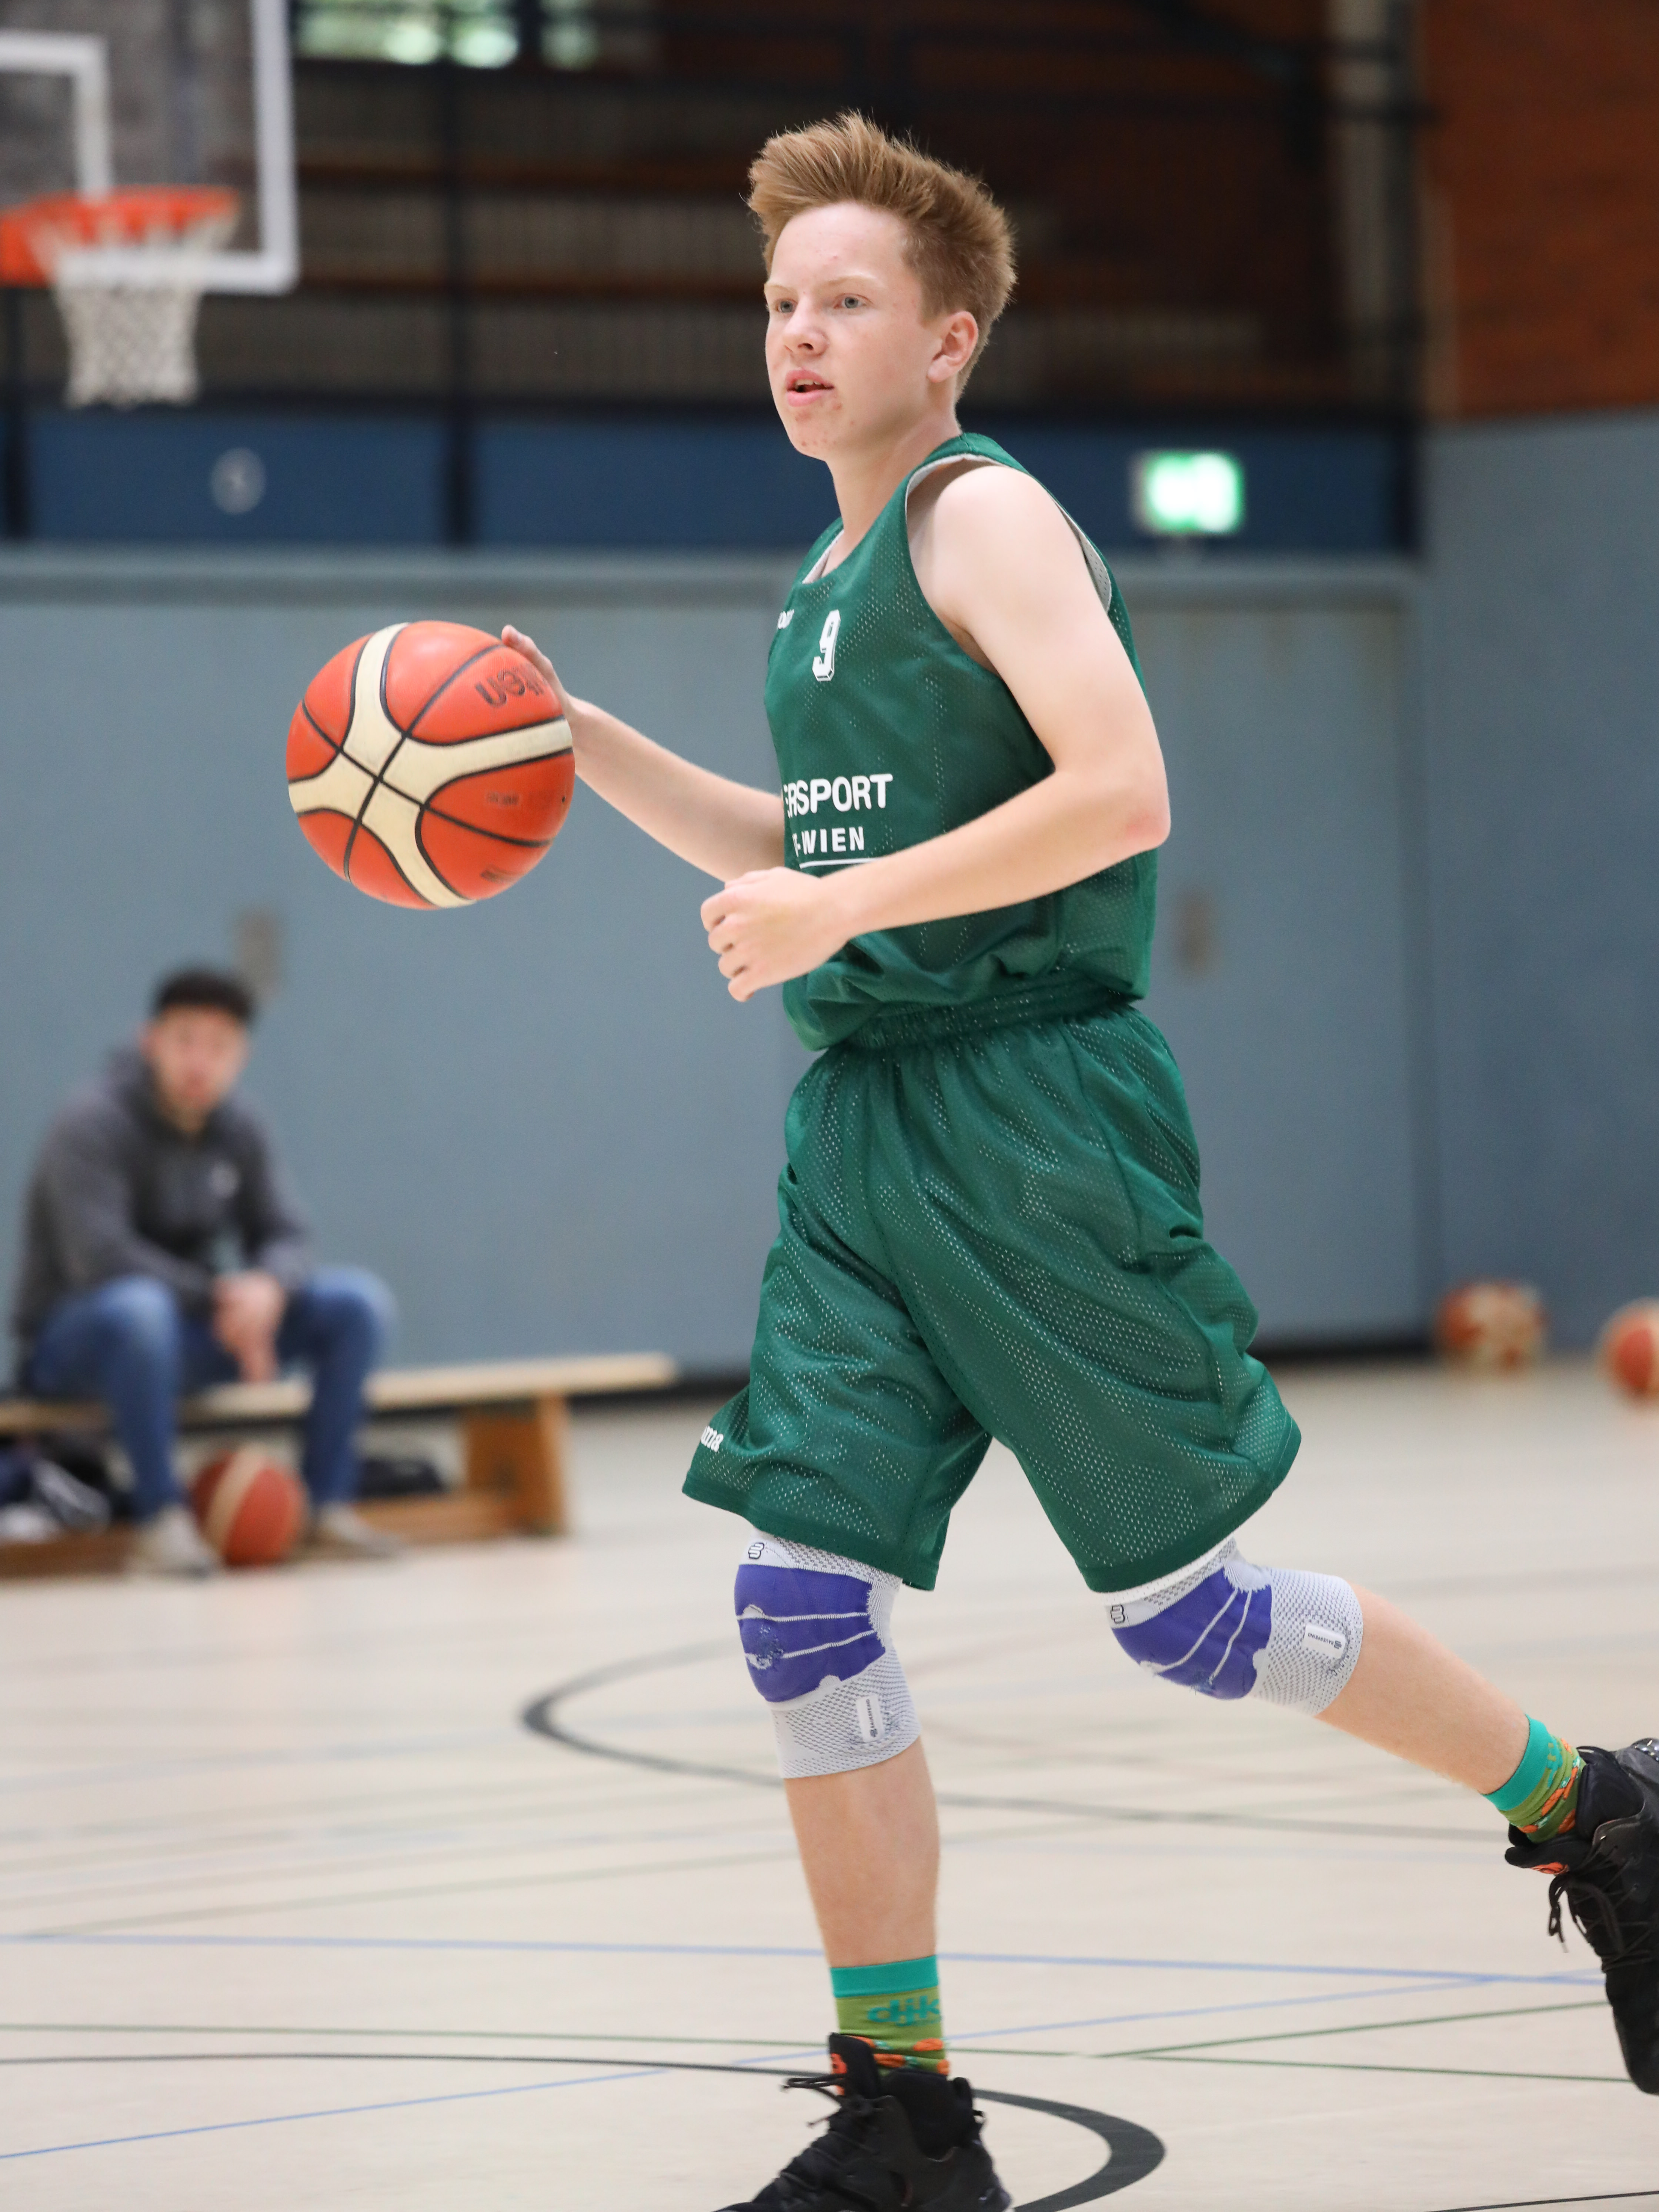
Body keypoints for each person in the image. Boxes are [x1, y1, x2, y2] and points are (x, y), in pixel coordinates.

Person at [506, 113, 1659, 2211]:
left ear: (949, 340)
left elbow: (1122, 789)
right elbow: (802, 842)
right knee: (797, 1605)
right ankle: (905, 2113)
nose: (798, 332)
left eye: (846, 299)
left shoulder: (985, 519)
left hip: (1033, 1117)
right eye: (779, 301)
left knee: (1190, 1620)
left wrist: (847, 912)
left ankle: (1594, 1808)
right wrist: (581, 743)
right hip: (862, 1133)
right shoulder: (829, 577)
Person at [11, 967, 398, 1577]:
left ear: (241, 1056)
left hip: (195, 1329)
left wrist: (269, 1288)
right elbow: (101, 1258)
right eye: (185, 1040)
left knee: (357, 1303)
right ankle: (160, 1518)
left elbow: (289, 1234)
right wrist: (224, 1300)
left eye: (219, 1046)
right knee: (140, 1309)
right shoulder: (90, 1122)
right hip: (78, 1342)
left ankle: (325, 1507)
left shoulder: (241, 1126)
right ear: (151, 1041)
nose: (200, 1061)